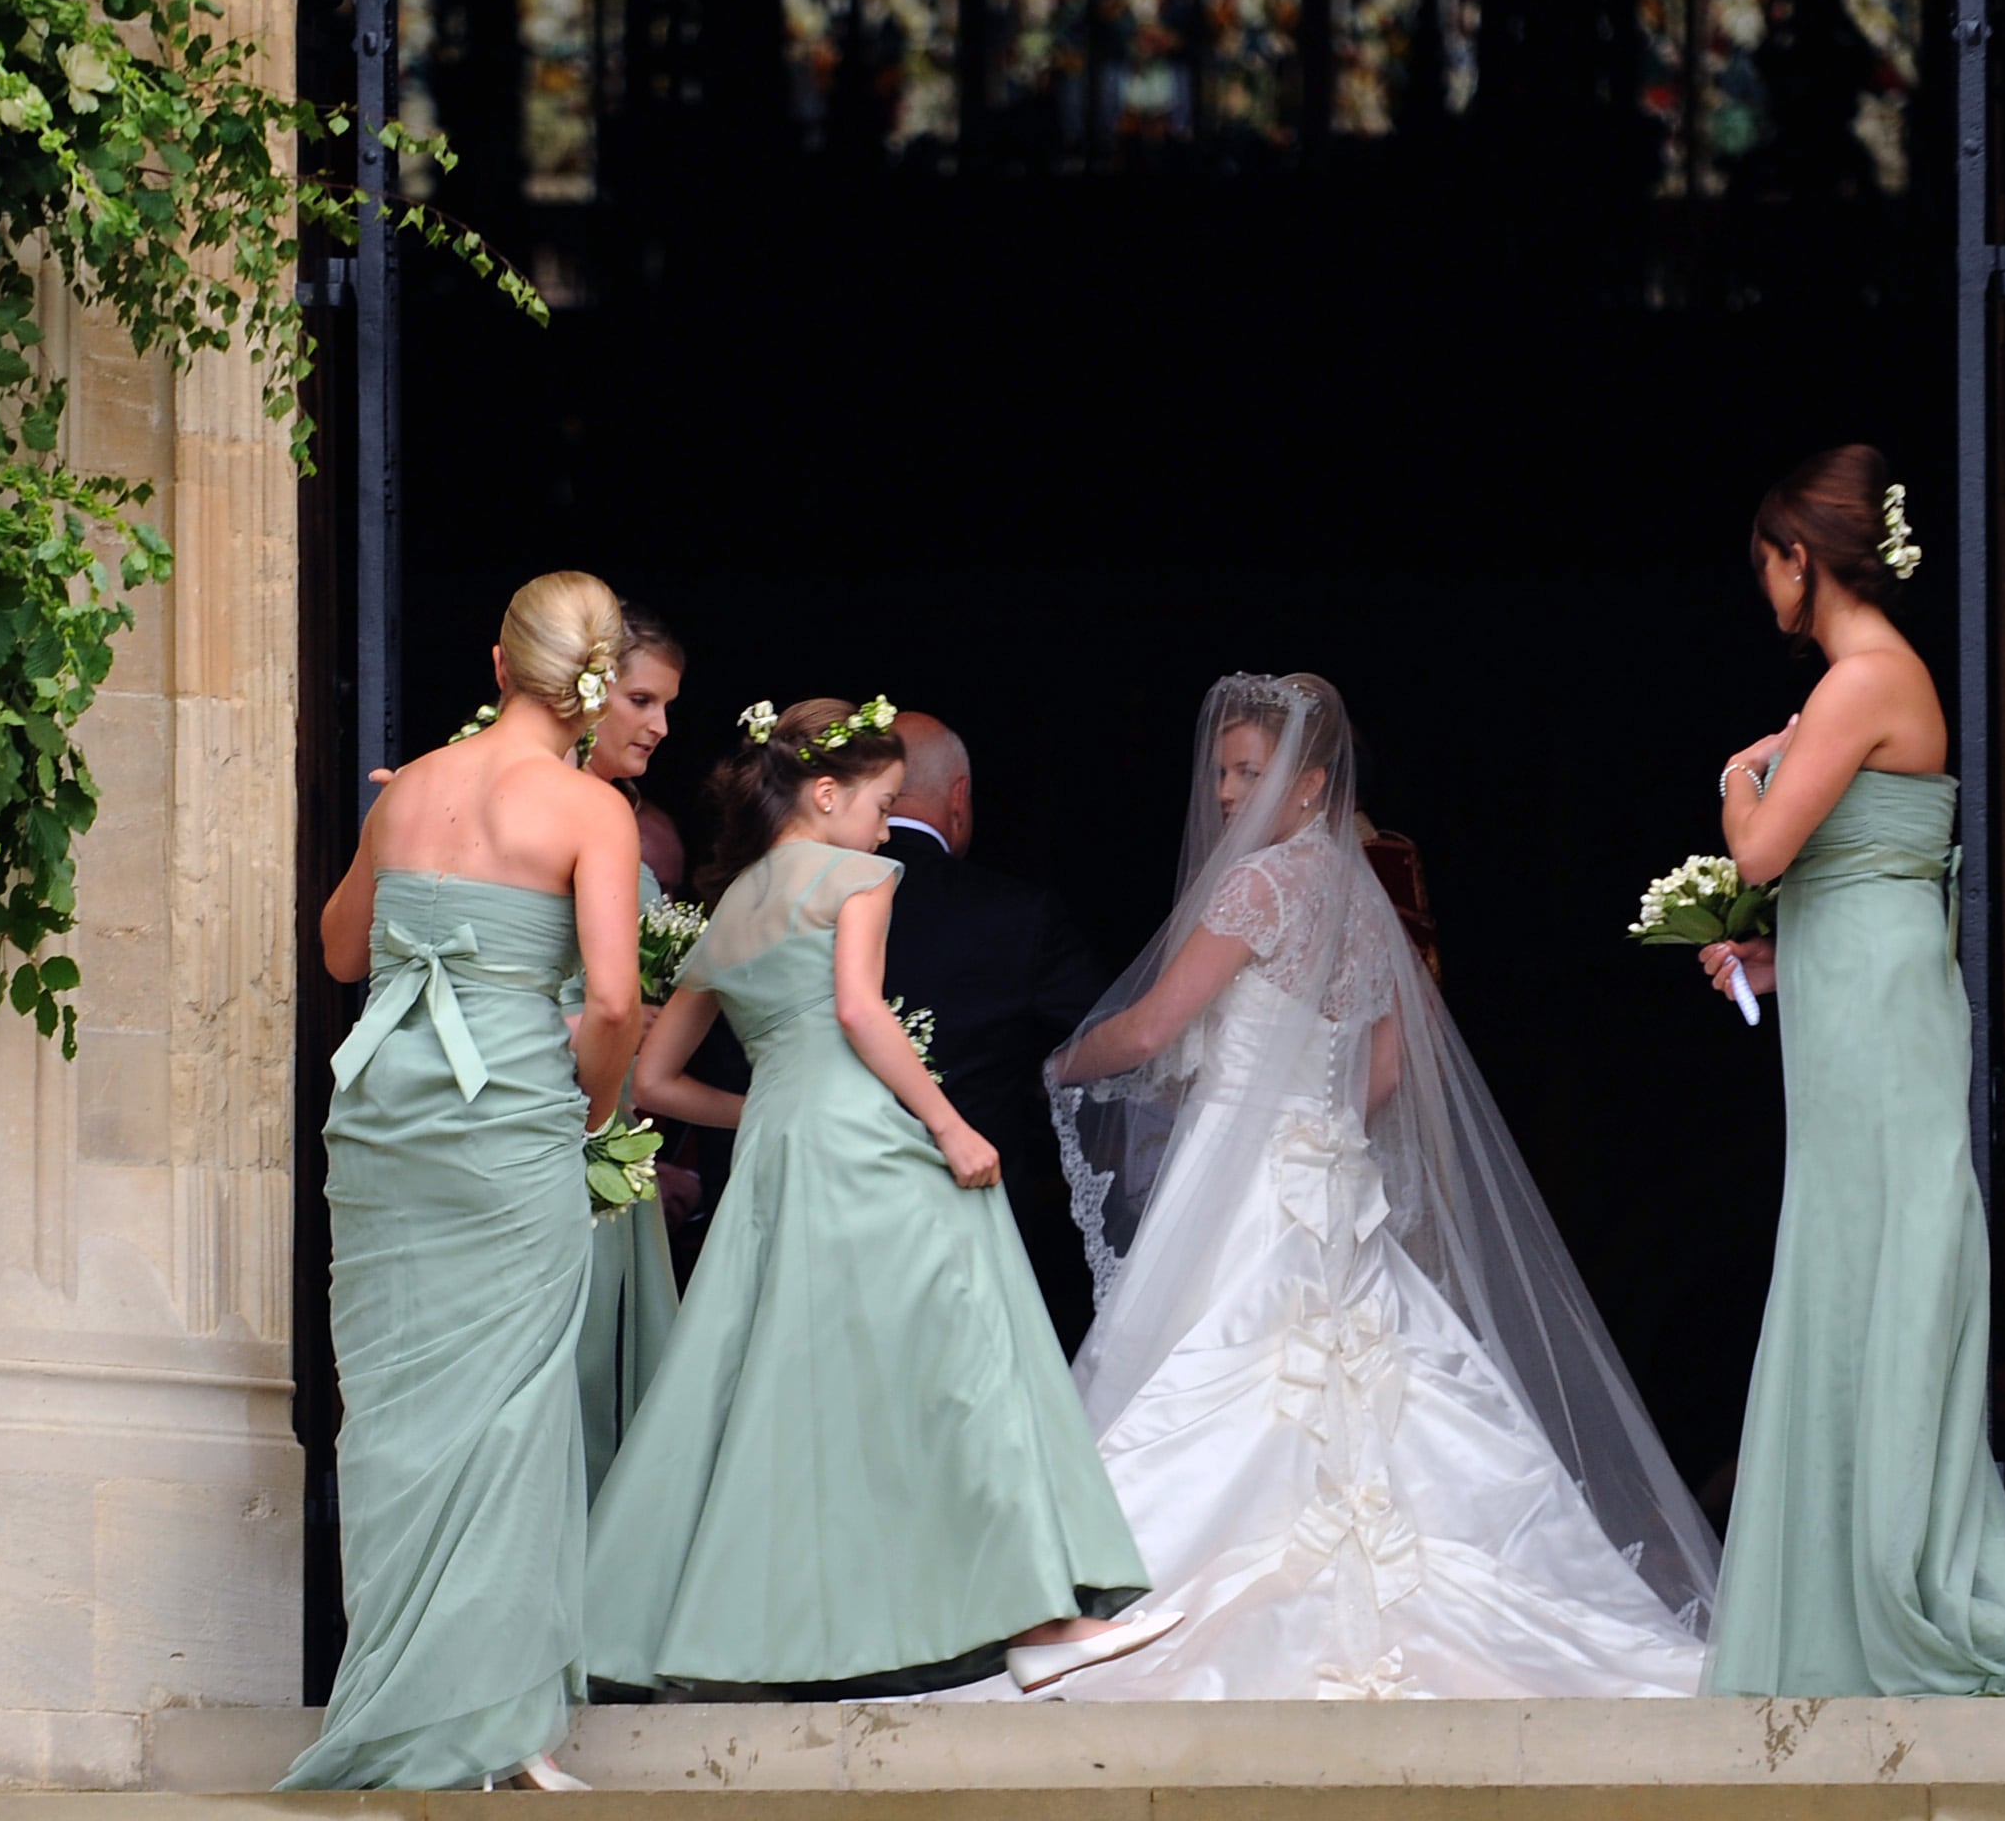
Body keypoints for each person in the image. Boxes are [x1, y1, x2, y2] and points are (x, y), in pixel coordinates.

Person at [1043, 673, 1716, 1699]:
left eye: (1248, 773)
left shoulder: (1255, 888)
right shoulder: (1363, 895)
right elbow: (1391, 1069)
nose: (1225, 794)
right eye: (1222, 772)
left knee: (1222, 1370)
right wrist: (1317, 1121)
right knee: (1372, 1383)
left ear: (1310, 783)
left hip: (1243, 1177)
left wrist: (1060, 1065)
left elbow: (1149, 1027)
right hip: (1330, 1175)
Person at [596, 698, 1175, 1699]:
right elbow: (862, 1010)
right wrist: (949, 1123)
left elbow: (651, 1081)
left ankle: (707, 1633)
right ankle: (1041, 1613)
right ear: (825, 794)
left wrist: (770, 1107)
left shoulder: (729, 905)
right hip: (867, 1143)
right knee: (965, 1349)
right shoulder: (857, 874)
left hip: (782, 1155)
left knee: (769, 1384)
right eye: (874, 804)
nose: (881, 826)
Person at [1692, 446, 2005, 1699]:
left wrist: (1734, 781)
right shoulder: (1868, 681)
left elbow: (1766, 846)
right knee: (1849, 1243)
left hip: (1876, 1004)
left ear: (1799, 558)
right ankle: (1839, 1572)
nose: (1761, 587)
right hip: (1856, 986)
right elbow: (1855, 875)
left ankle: (1888, 1572)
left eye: (1766, 563)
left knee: (1876, 1243)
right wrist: (1773, 970)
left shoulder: (1861, 679)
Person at [283, 573, 645, 1792]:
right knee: (514, 1405)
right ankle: (500, 1723)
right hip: (505, 1119)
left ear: (498, 663)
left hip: (386, 1115)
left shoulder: (414, 788)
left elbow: (341, 948)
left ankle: (404, 1701)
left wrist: (392, 834)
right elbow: (610, 1001)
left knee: (389, 1404)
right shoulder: (592, 809)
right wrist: (587, 1111)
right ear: (592, 684)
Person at [874, 710, 1116, 1351]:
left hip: (824, 1190)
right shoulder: (1017, 913)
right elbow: (1104, 1033)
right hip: (974, 1199)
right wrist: (1042, 1078)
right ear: (959, 798)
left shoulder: (797, 899)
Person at [570, 610, 689, 1492]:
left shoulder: (613, 809)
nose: (658, 726)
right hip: (566, 1107)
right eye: (641, 700)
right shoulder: (551, 805)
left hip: (613, 1117)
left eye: (665, 705)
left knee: (608, 1356)